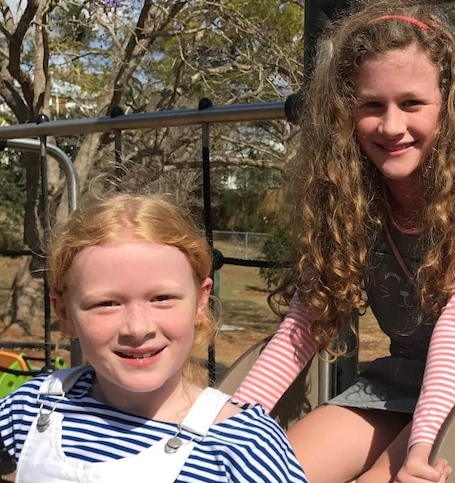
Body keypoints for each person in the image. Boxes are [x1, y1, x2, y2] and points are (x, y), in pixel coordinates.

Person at [231, 1, 455, 482]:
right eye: (372, 105)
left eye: (412, 103)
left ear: (451, 106)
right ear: (347, 113)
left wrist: (422, 447)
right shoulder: (351, 191)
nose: (391, 126)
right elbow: (307, 317)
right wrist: (235, 420)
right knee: (268, 471)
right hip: (404, 371)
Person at [0, 194, 308, 483]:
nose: (137, 328)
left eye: (162, 298)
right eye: (106, 304)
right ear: (65, 314)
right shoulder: (32, 407)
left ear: (200, 303)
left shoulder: (242, 445)